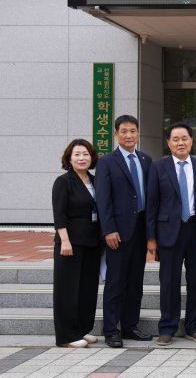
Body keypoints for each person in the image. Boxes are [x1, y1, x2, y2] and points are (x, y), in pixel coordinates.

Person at [146, 122, 196, 346]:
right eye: (176, 139)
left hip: (195, 231)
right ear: (168, 143)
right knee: (169, 282)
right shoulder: (158, 167)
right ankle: (167, 327)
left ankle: (195, 326)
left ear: (191, 141)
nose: (180, 143)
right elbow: (151, 204)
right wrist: (151, 237)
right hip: (168, 232)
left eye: (184, 138)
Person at [94, 114, 153, 348]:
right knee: (115, 282)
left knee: (135, 282)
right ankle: (111, 330)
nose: (129, 135)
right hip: (118, 231)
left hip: (140, 229)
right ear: (116, 134)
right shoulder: (107, 162)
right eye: (124, 131)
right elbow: (103, 199)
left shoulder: (146, 160)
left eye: (133, 131)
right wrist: (108, 229)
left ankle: (130, 326)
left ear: (138, 133)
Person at [52, 139, 102, 348]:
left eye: (86, 154)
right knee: (68, 289)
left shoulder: (95, 180)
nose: (82, 158)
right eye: (77, 154)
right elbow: (59, 214)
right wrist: (64, 240)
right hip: (70, 243)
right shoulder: (63, 182)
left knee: (87, 289)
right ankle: (66, 336)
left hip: (92, 242)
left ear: (92, 157)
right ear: (69, 159)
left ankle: (82, 329)